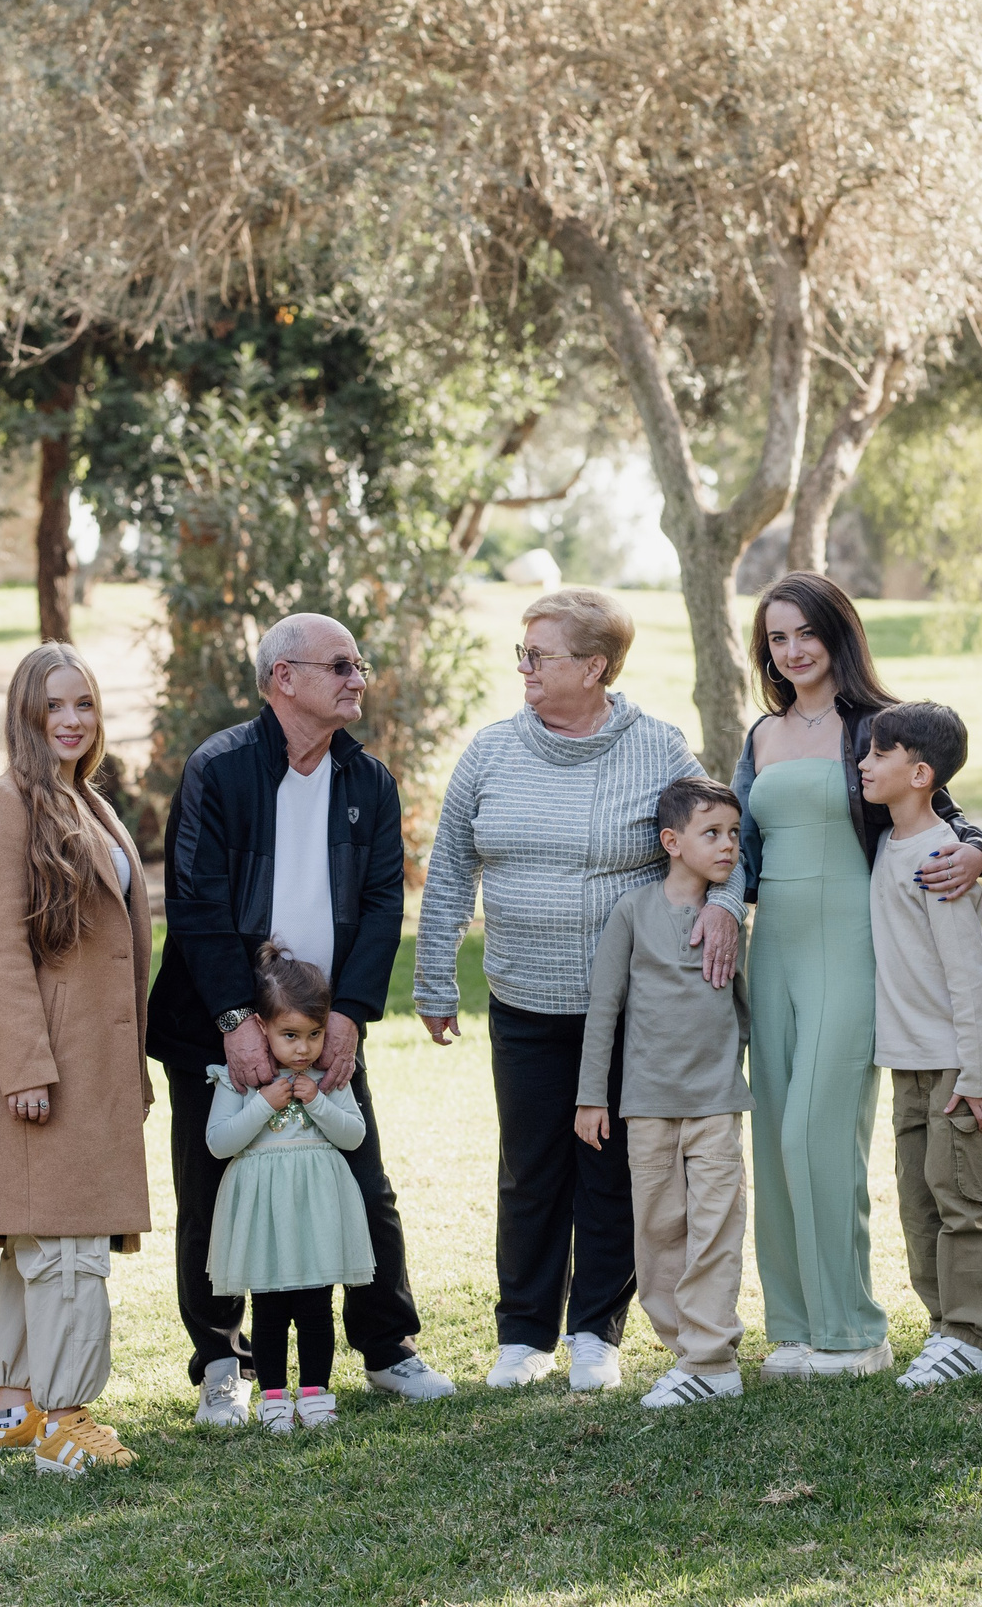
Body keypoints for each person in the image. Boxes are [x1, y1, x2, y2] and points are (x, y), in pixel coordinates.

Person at [418, 587, 741, 1393]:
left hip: (635, 1009)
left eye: (541, 654)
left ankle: (595, 1330)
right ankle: (523, 1336)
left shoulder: (658, 747)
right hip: (522, 997)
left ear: (594, 667)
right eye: (522, 653)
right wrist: (433, 977)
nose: (524, 667)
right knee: (529, 1166)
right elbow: (453, 864)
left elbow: (723, 835)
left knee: (613, 1170)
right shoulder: (491, 752)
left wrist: (728, 909)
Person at [151, 612, 454, 1426]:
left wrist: (351, 1014)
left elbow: (387, 902)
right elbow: (196, 902)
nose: (358, 678)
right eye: (342, 665)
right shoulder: (219, 768)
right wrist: (234, 1020)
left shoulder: (370, 782)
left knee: (363, 1180)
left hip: (323, 1026)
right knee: (211, 1187)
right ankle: (222, 1362)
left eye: (360, 664)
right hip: (213, 1027)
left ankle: (387, 1349)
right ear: (284, 677)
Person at [730, 572, 982, 1379]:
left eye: (806, 631)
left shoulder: (875, 729)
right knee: (776, 1137)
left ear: (836, 634)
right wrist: (716, 906)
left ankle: (856, 1332)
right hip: (770, 945)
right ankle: (798, 1327)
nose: (793, 649)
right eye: (777, 637)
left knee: (820, 1131)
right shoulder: (760, 737)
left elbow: (945, 812)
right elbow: (739, 846)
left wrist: (980, 851)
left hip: (853, 941)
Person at [0, 642, 153, 1475]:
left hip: (97, 1067)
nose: (71, 721)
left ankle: (15, 1406)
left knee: (38, 1245)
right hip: (45, 1066)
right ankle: (67, 1420)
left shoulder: (91, 804)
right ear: (25, 716)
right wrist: (28, 1068)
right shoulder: (1, 806)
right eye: (53, 708)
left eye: (84, 705)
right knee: (68, 1246)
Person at [574, 776, 754, 1410]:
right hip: (646, 1104)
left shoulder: (730, 919)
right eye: (713, 833)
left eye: (734, 833)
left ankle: (713, 1358)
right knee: (658, 1231)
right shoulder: (633, 911)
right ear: (671, 842)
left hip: (715, 1104)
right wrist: (591, 1097)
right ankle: (688, 1353)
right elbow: (605, 1007)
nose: (728, 845)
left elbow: (746, 1004)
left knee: (716, 1227)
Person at [861, 701, 982, 1389]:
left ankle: (975, 1335)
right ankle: (942, 1325)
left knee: (968, 1201)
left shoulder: (939, 860)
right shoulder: (890, 842)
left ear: (920, 773)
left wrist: (979, 1072)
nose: (864, 764)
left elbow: (970, 973)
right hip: (912, 1062)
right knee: (920, 1200)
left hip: (961, 1065)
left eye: (879, 754)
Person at [203, 944, 376, 1436]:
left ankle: (317, 1391)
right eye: (290, 1035)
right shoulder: (238, 1079)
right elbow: (219, 1143)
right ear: (261, 1028)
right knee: (272, 1307)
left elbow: (353, 1135)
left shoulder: (329, 1077)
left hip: (315, 1210)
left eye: (314, 1035)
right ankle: (275, 1394)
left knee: (316, 1306)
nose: (303, 1049)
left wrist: (318, 1102)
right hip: (264, 1213)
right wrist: (262, 1104)